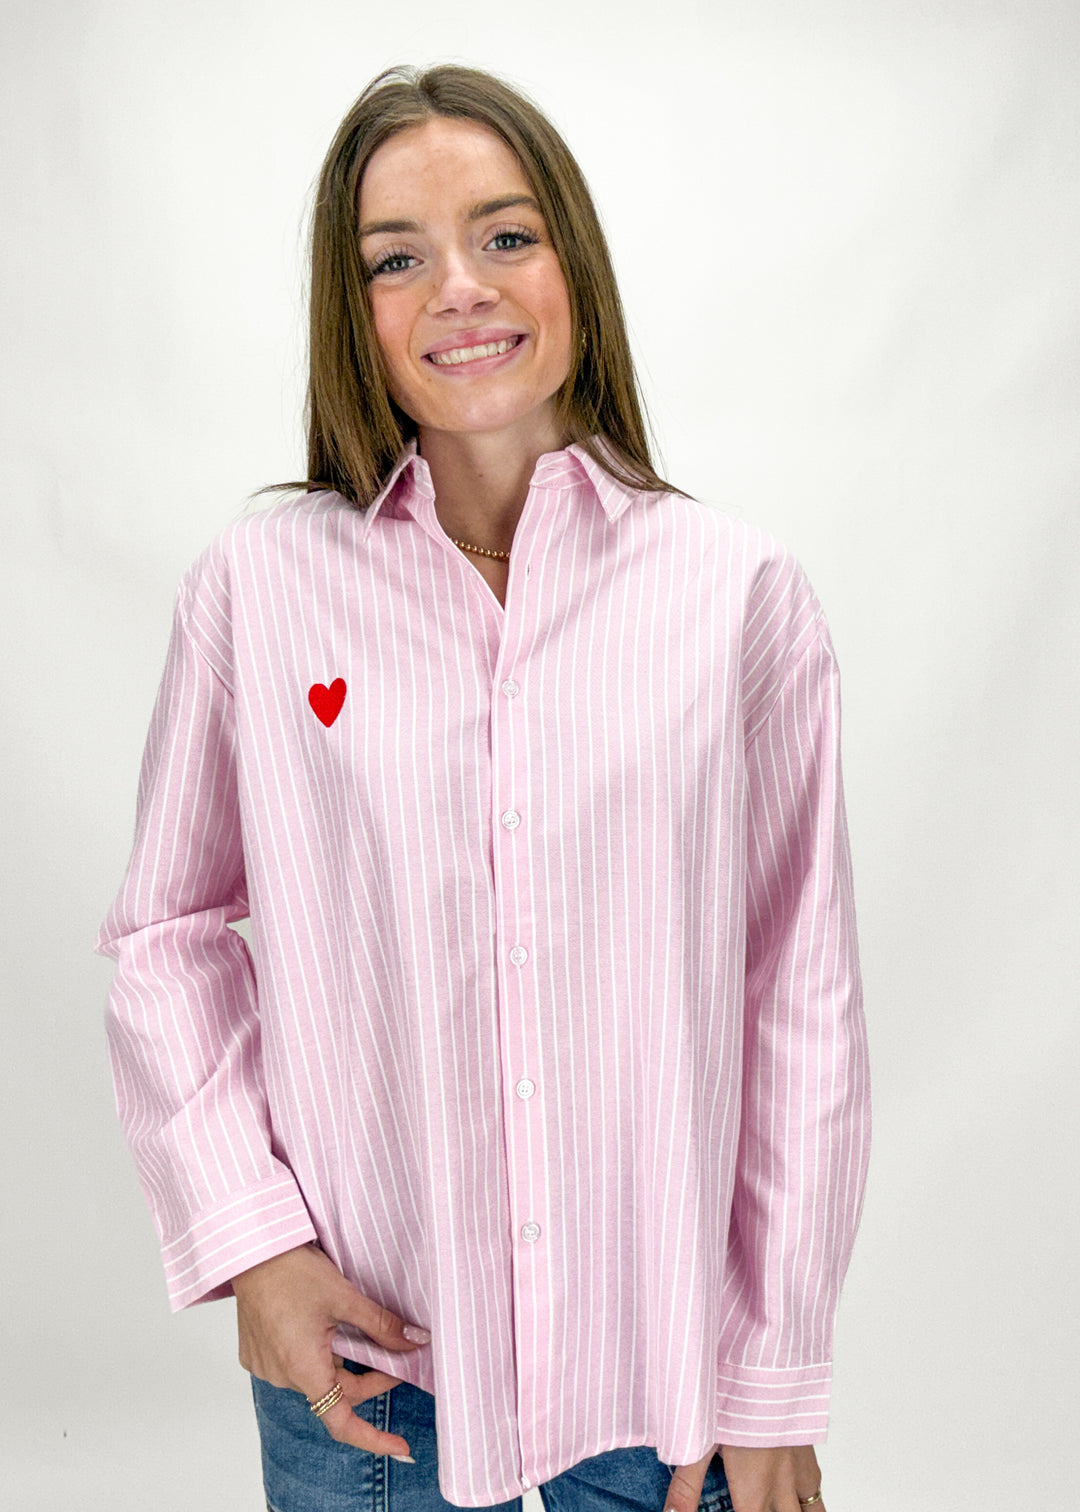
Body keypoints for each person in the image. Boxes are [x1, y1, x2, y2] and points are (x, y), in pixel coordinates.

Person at [94, 62, 871, 1512]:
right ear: (353, 309)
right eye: (397, 257)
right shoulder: (259, 596)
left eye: (505, 235)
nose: (459, 286)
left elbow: (801, 999)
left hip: (667, 1392)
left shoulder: (738, 598)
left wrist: (775, 1378)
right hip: (370, 1382)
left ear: (572, 260)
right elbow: (165, 935)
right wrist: (254, 1248)